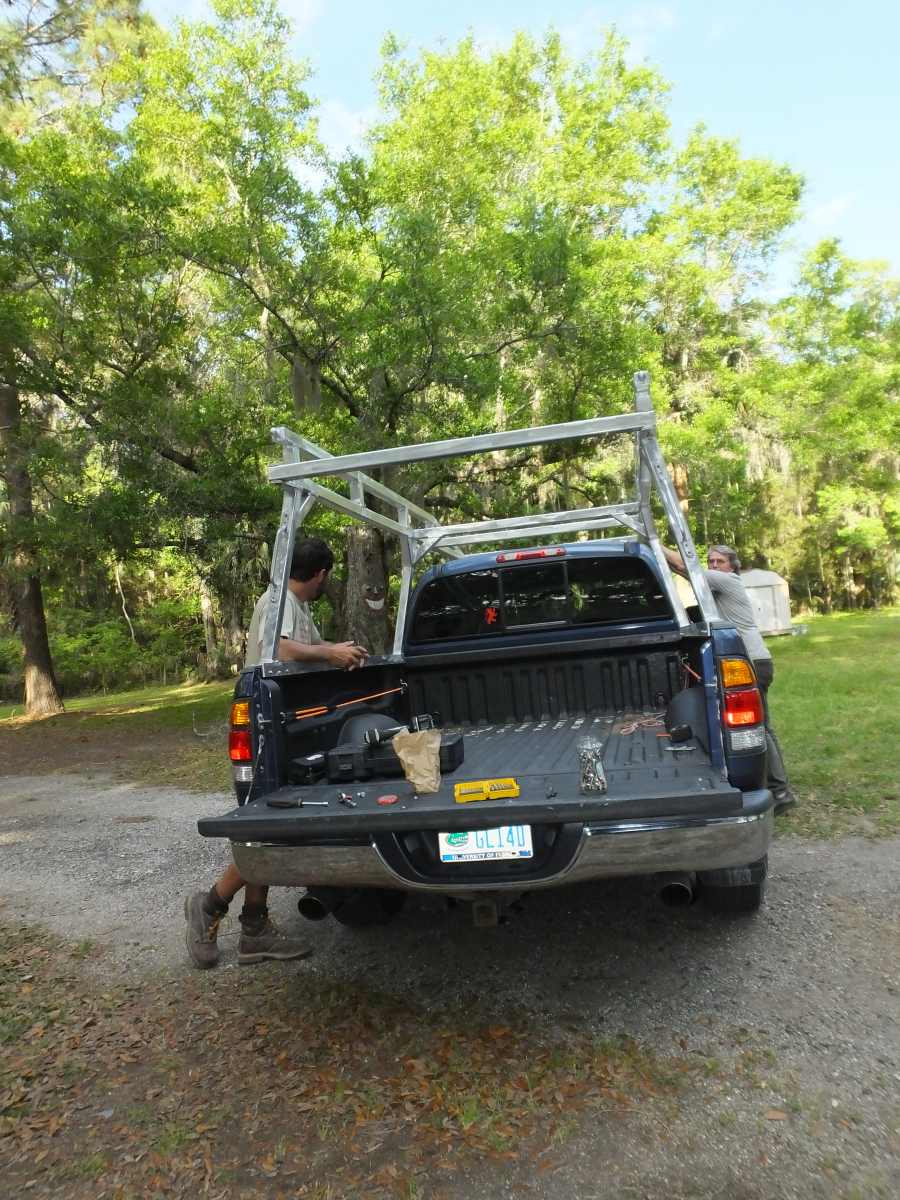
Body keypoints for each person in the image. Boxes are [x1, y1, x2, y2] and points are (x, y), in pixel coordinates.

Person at [184, 537, 369, 968]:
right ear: (320, 574)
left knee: (275, 827)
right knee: (265, 825)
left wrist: (339, 654)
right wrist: (330, 652)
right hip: (266, 724)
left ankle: (254, 929)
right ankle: (211, 905)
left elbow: (306, 654)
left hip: (288, 723)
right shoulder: (278, 602)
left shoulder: (296, 606)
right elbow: (282, 649)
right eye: (329, 576)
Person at [663, 542, 796, 817]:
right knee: (755, 728)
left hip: (753, 663)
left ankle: (781, 792)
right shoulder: (716, 588)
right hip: (743, 662)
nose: (713, 566)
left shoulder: (728, 581)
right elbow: (681, 569)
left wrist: (651, 541)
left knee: (760, 729)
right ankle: (773, 788)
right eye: (710, 561)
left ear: (732, 566)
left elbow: (687, 567)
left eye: (719, 561)